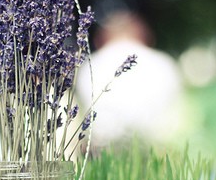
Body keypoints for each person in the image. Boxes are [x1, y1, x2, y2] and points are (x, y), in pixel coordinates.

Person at [76, 10, 184, 150]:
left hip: (103, 147)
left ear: (100, 40)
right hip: (157, 146)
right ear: (146, 36)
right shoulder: (163, 63)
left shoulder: (89, 67)